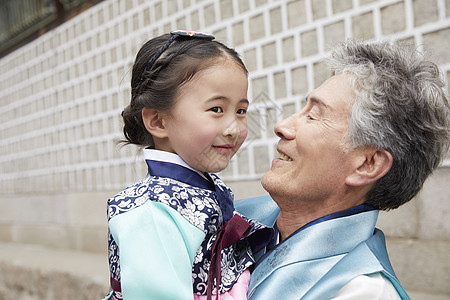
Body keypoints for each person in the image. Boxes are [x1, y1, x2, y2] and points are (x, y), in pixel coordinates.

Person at [236, 39, 450, 299]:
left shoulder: (362, 290)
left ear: (367, 164)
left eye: (313, 115)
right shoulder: (235, 219)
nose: (282, 126)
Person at [104, 30, 272, 300]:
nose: (234, 128)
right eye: (216, 109)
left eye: (241, 111)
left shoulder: (199, 188)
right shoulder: (150, 212)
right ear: (158, 121)